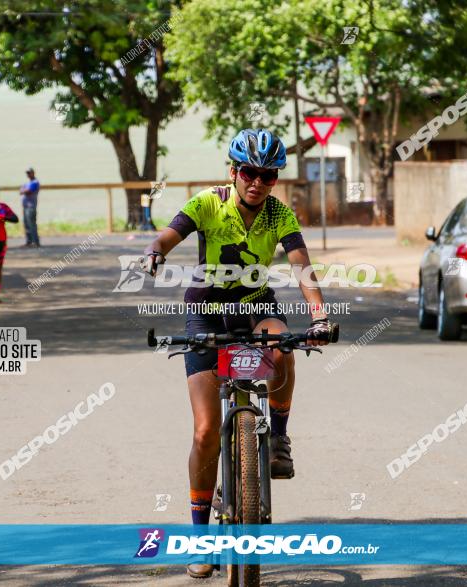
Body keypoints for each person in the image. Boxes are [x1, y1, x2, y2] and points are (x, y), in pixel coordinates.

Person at [141, 129, 332, 579]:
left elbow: (301, 266)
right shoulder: (208, 202)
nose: (258, 182)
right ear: (233, 171)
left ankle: (279, 437)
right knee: (207, 430)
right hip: (206, 314)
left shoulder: (279, 214)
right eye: (250, 172)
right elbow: (170, 235)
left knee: (284, 347)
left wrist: (320, 316)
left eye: (268, 175)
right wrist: (153, 253)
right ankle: (200, 538)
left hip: (255, 308)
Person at [19, 167, 40, 247]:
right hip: (26, 206)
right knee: (27, 224)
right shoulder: (28, 183)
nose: (28, 174)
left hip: (31, 207)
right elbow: (21, 191)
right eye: (27, 173)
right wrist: (23, 190)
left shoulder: (35, 182)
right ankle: (29, 241)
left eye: (29, 173)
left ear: (33, 173)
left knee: (32, 224)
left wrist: (24, 190)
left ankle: (35, 241)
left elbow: (28, 191)